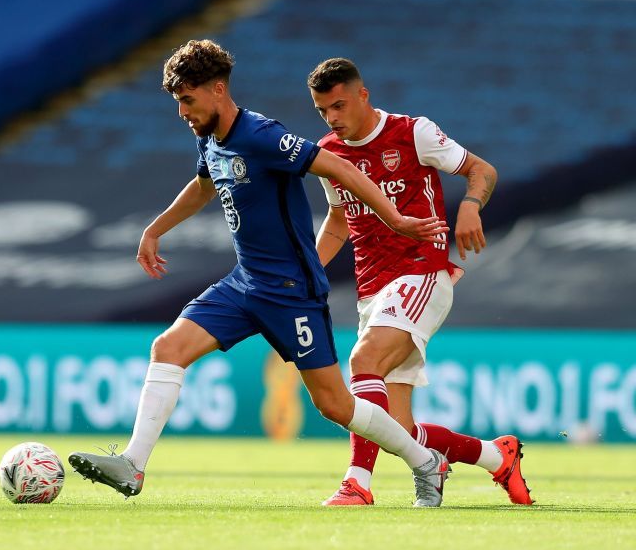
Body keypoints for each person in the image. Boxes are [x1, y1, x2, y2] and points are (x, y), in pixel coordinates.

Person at [69, 39, 452, 507]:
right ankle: (133, 465)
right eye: (178, 102)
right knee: (167, 348)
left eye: (187, 100)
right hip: (245, 283)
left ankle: (426, 463)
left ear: (216, 90)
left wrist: (393, 218)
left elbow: (334, 164)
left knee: (335, 404)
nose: (182, 112)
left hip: (292, 291)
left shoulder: (262, 135)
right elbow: (203, 185)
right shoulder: (208, 137)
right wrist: (155, 229)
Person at [307, 58, 533, 506]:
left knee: (363, 361)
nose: (332, 118)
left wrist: (469, 205)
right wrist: (309, 271)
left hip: (421, 272)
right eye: (322, 111)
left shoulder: (413, 133)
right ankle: (496, 456)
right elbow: (338, 220)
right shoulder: (330, 151)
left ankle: (357, 484)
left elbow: (481, 170)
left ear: (363, 95)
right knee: (398, 428)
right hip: (372, 290)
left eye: (338, 105)